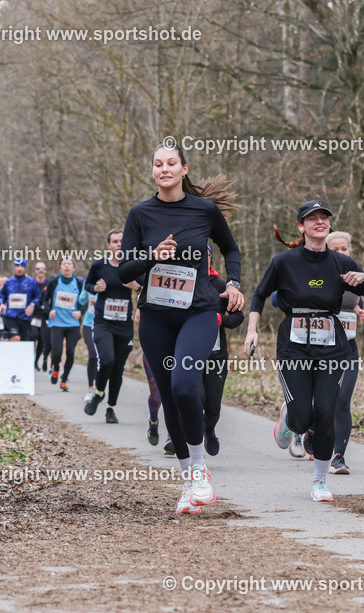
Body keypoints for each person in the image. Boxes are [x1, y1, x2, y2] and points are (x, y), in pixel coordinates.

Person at [118, 142, 243, 515]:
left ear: (184, 169)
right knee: (170, 397)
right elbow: (124, 271)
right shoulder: (140, 214)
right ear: (153, 172)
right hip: (156, 314)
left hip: (199, 309)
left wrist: (233, 283)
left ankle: (200, 468)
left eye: (171, 163)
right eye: (158, 164)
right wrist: (151, 256)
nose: (164, 168)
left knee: (186, 385)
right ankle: (188, 478)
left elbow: (230, 248)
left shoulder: (204, 210)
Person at [243, 200, 364, 502]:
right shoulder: (285, 261)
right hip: (293, 346)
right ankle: (289, 420)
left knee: (325, 413)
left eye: (324, 218)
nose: (320, 222)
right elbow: (258, 294)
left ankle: (319, 481)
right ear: (301, 226)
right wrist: (252, 330)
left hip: (332, 347)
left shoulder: (342, 263)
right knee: (302, 417)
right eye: (312, 218)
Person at [325, 231, 364, 475]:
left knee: (342, 400)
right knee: (319, 404)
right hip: (318, 349)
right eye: (335, 249)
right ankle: (303, 425)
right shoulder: (316, 272)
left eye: (345, 249)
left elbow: (357, 306)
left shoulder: (358, 277)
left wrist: (360, 313)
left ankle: (338, 457)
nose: (341, 253)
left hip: (348, 349)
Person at [83, 230, 143, 424]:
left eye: (122, 241)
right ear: (108, 245)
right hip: (103, 322)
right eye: (115, 241)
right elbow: (87, 284)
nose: (119, 244)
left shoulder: (133, 266)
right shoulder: (99, 265)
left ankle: (111, 408)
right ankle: (99, 393)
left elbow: (145, 287)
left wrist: (136, 287)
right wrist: (95, 288)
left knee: (118, 369)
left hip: (124, 325)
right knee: (107, 360)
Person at [202, 249, 244, 456]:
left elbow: (238, 317)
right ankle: (179, 434)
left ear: (211, 258)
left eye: (206, 254)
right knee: (193, 397)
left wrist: (220, 320)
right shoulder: (183, 284)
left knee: (212, 407)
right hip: (188, 355)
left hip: (216, 354)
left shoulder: (220, 286)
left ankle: (208, 430)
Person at [43, 258, 84, 391]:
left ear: (73, 268)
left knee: (71, 352)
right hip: (57, 323)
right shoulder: (54, 281)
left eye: (69, 264)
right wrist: (49, 311)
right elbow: (44, 300)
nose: (66, 266)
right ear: (60, 268)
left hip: (73, 323)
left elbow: (85, 300)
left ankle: (64, 379)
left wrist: (80, 312)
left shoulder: (79, 282)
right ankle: (55, 368)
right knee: (57, 353)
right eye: (64, 264)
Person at [0, 258, 42, 343]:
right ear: (14, 268)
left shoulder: (31, 281)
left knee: (23, 341)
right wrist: (2, 304)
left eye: (22, 266)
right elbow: (2, 295)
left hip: (25, 316)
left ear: (25, 268)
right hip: (11, 316)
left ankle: (17, 356)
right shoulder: (9, 281)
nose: (19, 268)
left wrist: (32, 305)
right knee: (15, 338)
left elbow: (38, 296)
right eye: (17, 266)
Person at [77, 282, 98, 402]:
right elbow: (82, 301)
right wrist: (86, 292)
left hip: (104, 324)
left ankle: (99, 387)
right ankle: (91, 389)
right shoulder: (89, 280)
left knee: (104, 358)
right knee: (93, 354)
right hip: (88, 324)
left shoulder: (111, 280)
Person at [33, 261, 52, 371]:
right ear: (35, 271)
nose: (40, 270)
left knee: (42, 341)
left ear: (45, 271)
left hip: (44, 316)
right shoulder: (31, 283)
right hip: (33, 316)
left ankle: (37, 361)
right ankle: (30, 360)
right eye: (38, 268)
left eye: (43, 268)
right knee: (32, 336)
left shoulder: (49, 284)